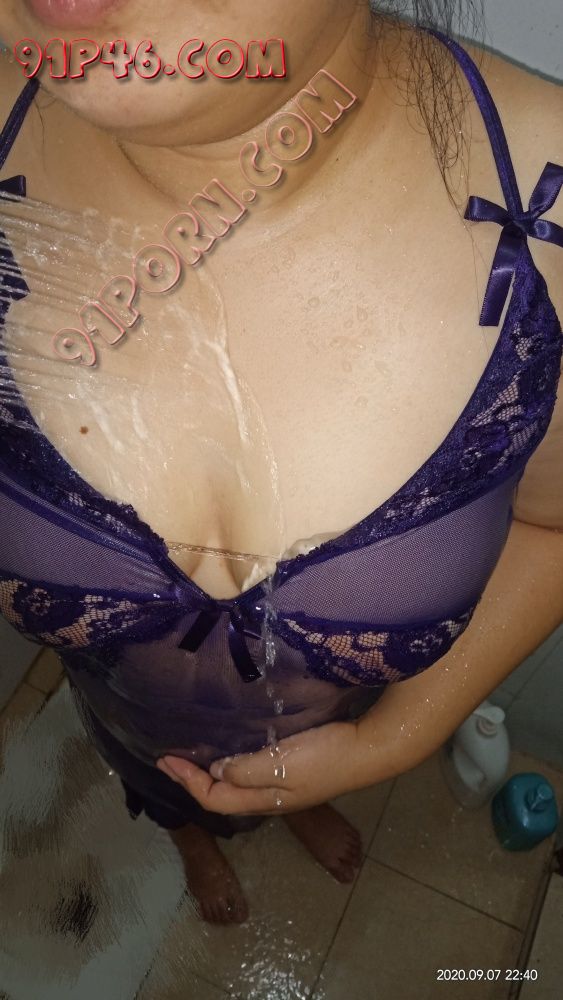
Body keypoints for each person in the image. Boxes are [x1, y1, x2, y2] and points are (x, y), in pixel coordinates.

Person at [0, 0, 562, 927]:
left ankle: (288, 802)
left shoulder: (547, 212)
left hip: (329, 723)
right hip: (120, 717)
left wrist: (387, 743)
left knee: (285, 780)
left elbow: (553, 524)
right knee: (157, 782)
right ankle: (182, 829)